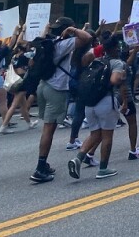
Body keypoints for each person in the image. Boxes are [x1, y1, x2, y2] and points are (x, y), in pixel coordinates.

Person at [31, 17, 93, 183]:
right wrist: (73, 30)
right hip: (56, 88)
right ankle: (40, 167)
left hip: (43, 85)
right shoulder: (64, 44)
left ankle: (43, 165)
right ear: (68, 28)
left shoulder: (48, 42)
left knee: (47, 126)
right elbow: (87, 38)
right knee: (49, 129)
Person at [68, 34, 127, 180]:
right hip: (106, 101)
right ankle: (103, 168)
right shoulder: (116, 63)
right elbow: (114, 80)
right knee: (107, 135)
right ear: (115, 48)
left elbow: (84, 58)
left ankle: (78, 158)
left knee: (95, 134)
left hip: (90, 103)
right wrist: (122, 77)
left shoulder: (95, 61)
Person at [0, 27, 20, 133]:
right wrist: (15, 32)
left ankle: (6, 123)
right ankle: (5, 123)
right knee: (3, 103)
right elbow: (11, 44)